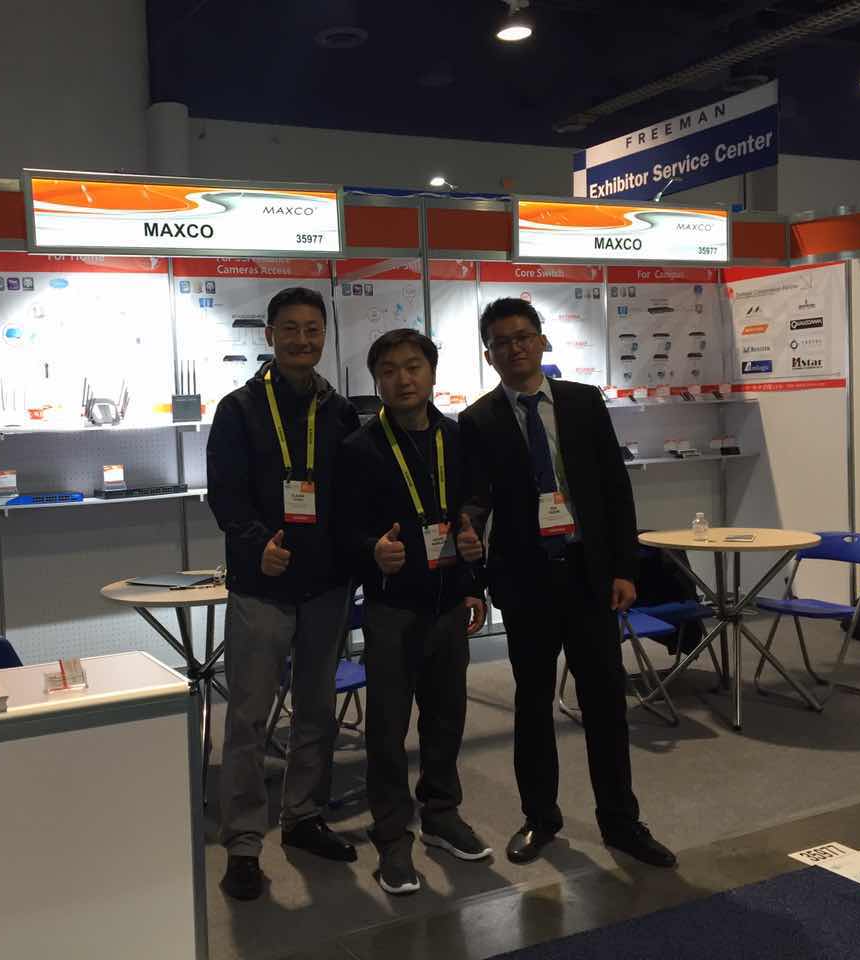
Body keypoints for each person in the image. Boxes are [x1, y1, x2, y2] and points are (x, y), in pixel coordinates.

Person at [459, 298, 676, 869]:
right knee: (532, 705)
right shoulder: (478, 420)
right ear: (489, 354)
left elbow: (614, 490)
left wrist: (625, 568)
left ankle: (621, 822)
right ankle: (540, 818)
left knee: (605, 702)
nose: (514, 348)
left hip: (588, 574)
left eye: (523, 336)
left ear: (541, 340)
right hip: (525, 581)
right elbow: (474, 508)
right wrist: (474, 580)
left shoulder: (582, 402)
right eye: (501, 342)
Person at [206, 286, 362, 901]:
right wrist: (254, 547)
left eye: (312, 329)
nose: (302, 339)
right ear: (269, 336)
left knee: (316, 709)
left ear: (324, 335)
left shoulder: (339, 410)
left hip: (325, 586)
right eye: (290, 329)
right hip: (263, 585)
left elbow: (350, 496)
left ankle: (302, 817)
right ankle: (244, 843)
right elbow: (226, 494)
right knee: (248, 718)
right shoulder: (239, 409)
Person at [335, 329, 491, 895]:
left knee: (446, 718)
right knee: (387, 729)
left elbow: (474, 504)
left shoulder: (457, 437)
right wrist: (371, 551)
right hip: (391, 608)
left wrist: (473, 575)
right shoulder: (359, 448)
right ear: (376, 381)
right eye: (389, 370)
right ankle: (392, 838)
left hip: (449, 603)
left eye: (413, 366)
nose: (403, 379)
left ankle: (442, 815)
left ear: (432, 372)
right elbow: (343, 529)